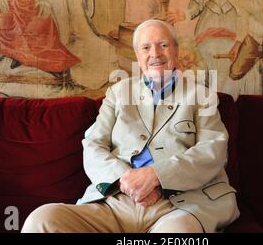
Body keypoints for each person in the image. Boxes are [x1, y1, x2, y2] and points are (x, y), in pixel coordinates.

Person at [21, 19, 239, 233]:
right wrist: (125, 179)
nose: (155, 53)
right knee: (42, 220)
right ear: (138, 55)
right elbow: (93, 144)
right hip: (114, 203)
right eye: (146, 47)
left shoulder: (201, 95)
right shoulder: (118, 93)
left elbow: (214, 149)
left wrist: (156, 176)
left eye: (163, 45)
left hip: (179, 204)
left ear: (176, 50)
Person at [167, 0, 261, 100]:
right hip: (209, 21)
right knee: (206, 53)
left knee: (235, 53)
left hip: (233, 19)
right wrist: (185, 14)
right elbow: (196, 4)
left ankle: (233, 96)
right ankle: (210, 98)